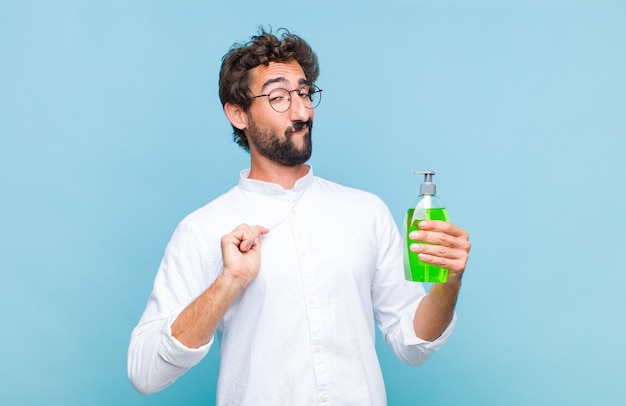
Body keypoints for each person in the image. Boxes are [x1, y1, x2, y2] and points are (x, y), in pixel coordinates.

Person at [128, 27, 471, 405]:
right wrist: (228, 283)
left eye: (305, 93)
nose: (302, 111)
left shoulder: (366, 212)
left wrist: (448, 282)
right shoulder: (201, 229)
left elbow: (413, 343)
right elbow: (146, 373)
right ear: (237, 113)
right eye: (278, 97)